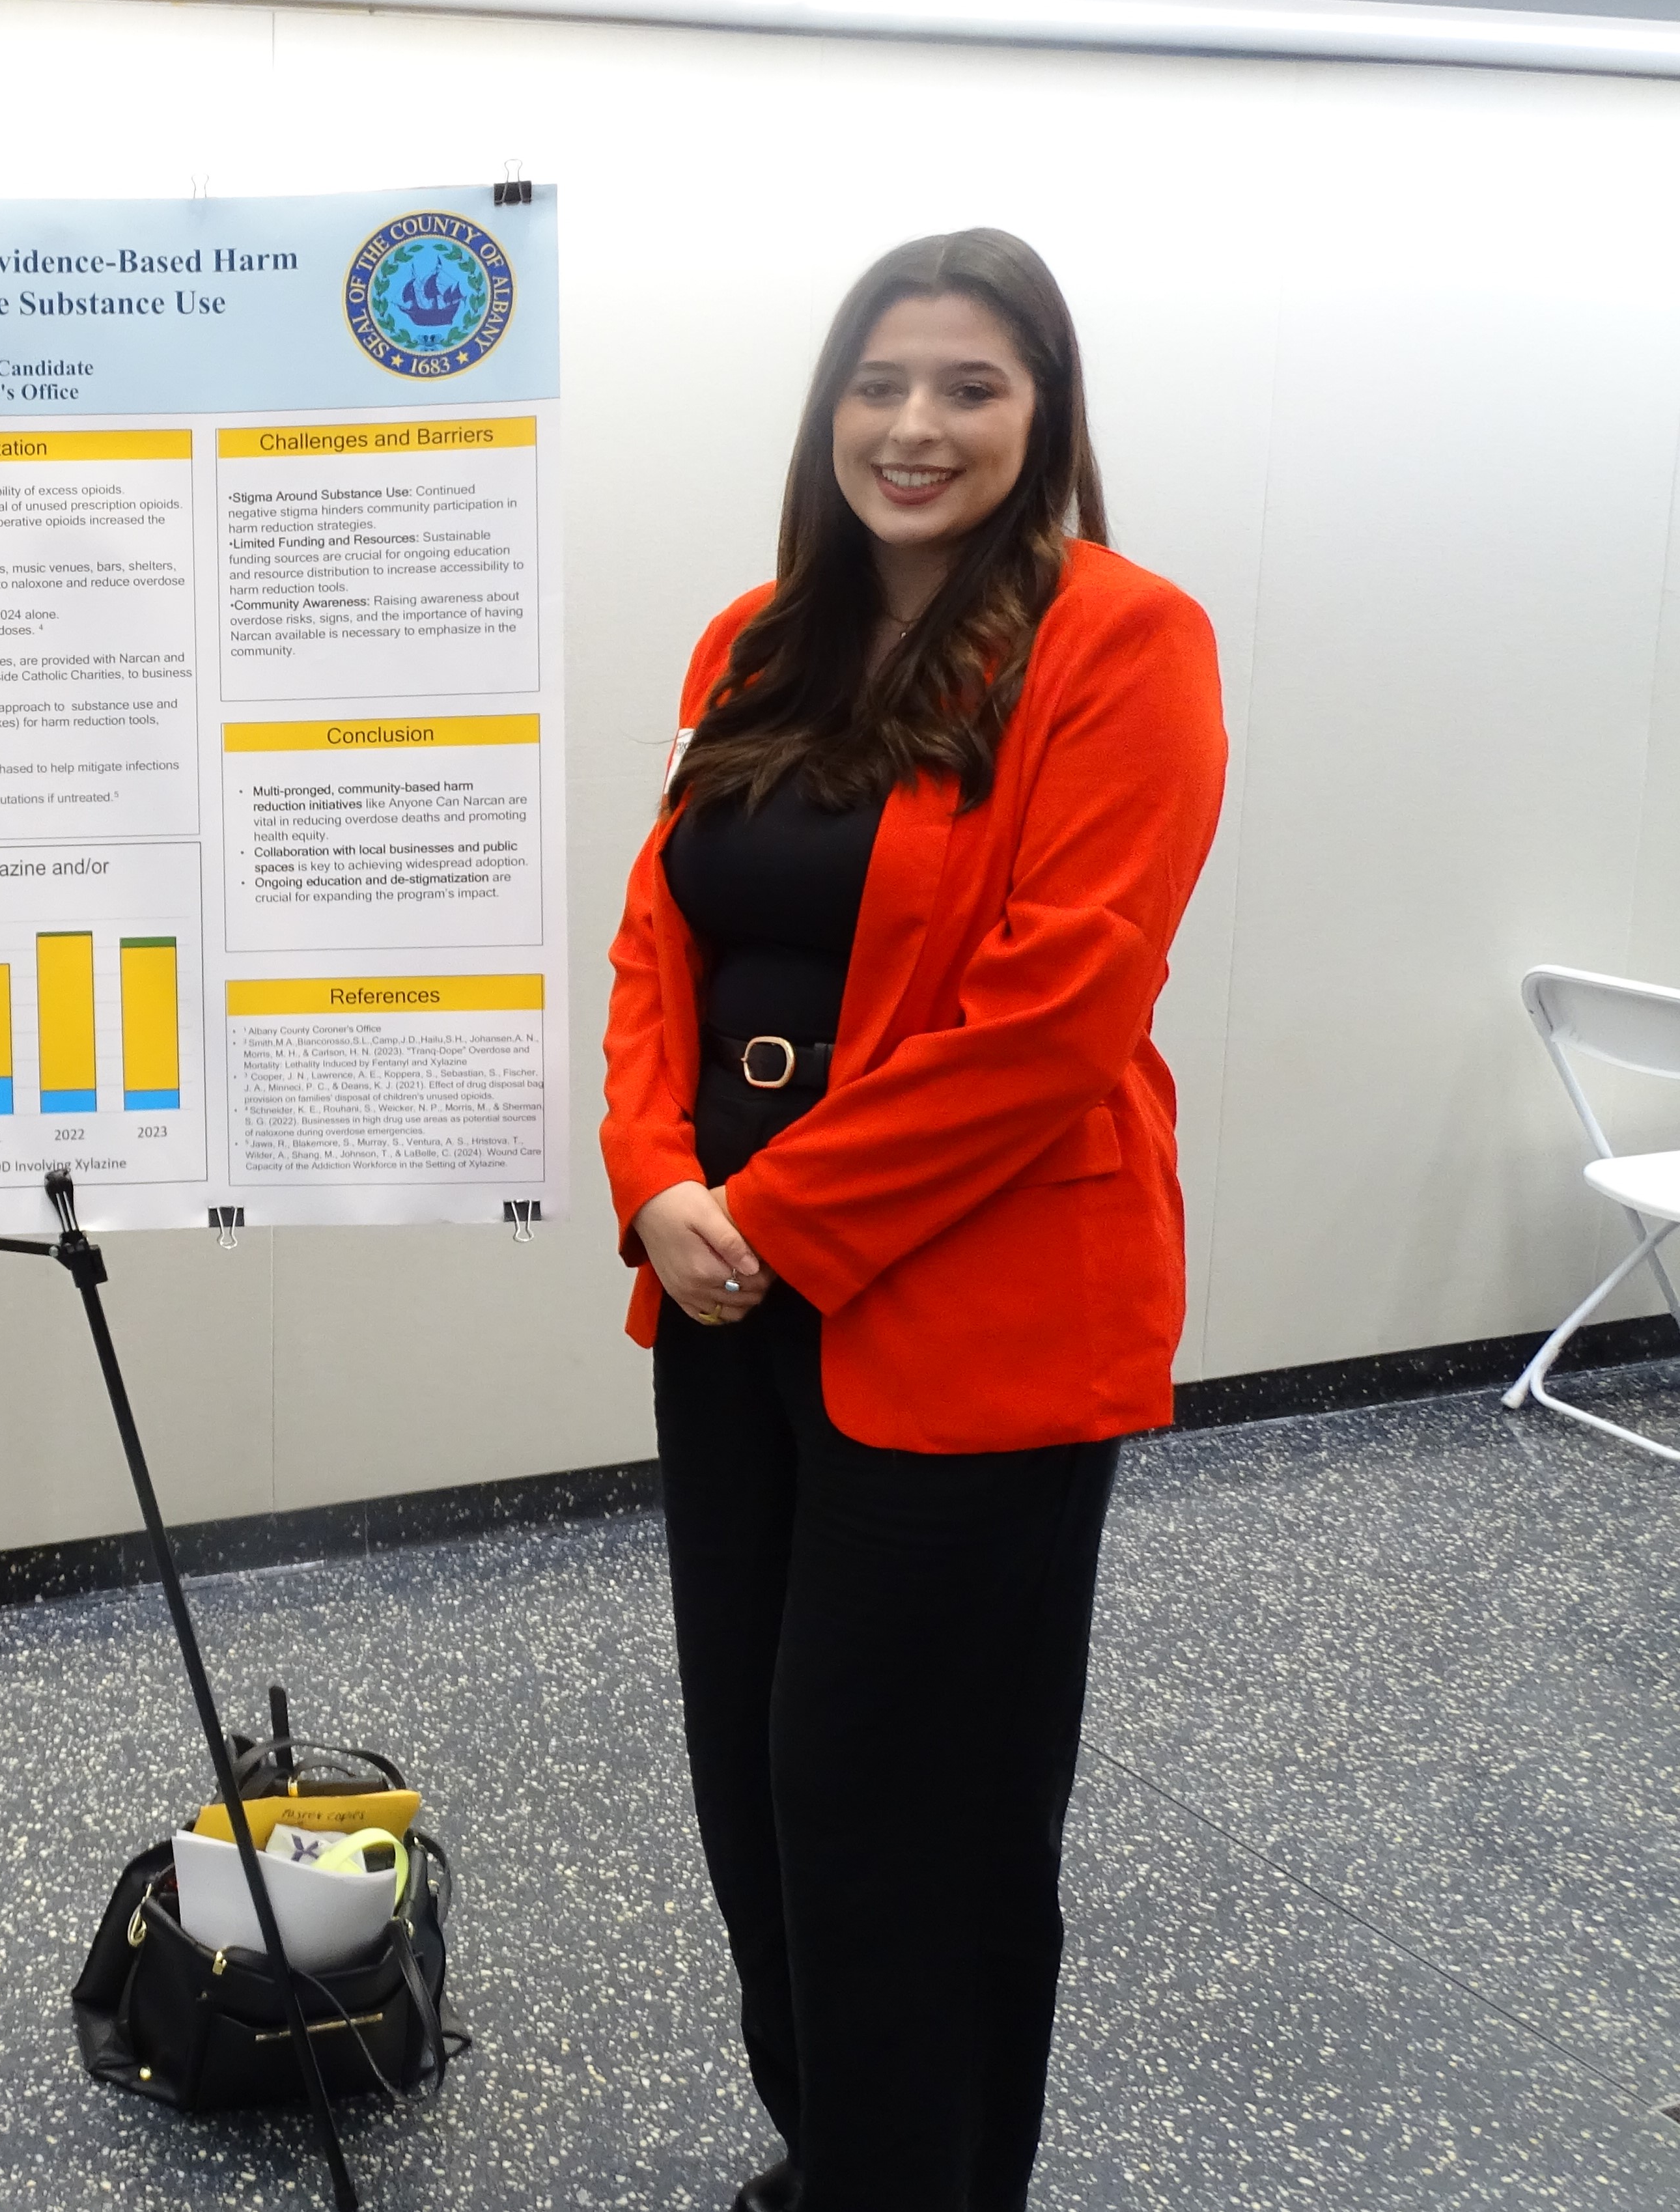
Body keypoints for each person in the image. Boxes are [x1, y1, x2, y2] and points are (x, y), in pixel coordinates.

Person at [597, 229, 1227, 2212]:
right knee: (757, 1788)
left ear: (1045, 415)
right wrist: (654, 1178)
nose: (915, 427)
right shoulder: (754, 639)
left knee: (911, 1823)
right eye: (880, 384)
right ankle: (836, 2159)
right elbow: (657, 938)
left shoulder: (1121, 640)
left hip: (978, 1317)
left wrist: (771, 1213)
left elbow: (1059, 1011)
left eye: (971, 386)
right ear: (829, 410)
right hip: (729, 1298)